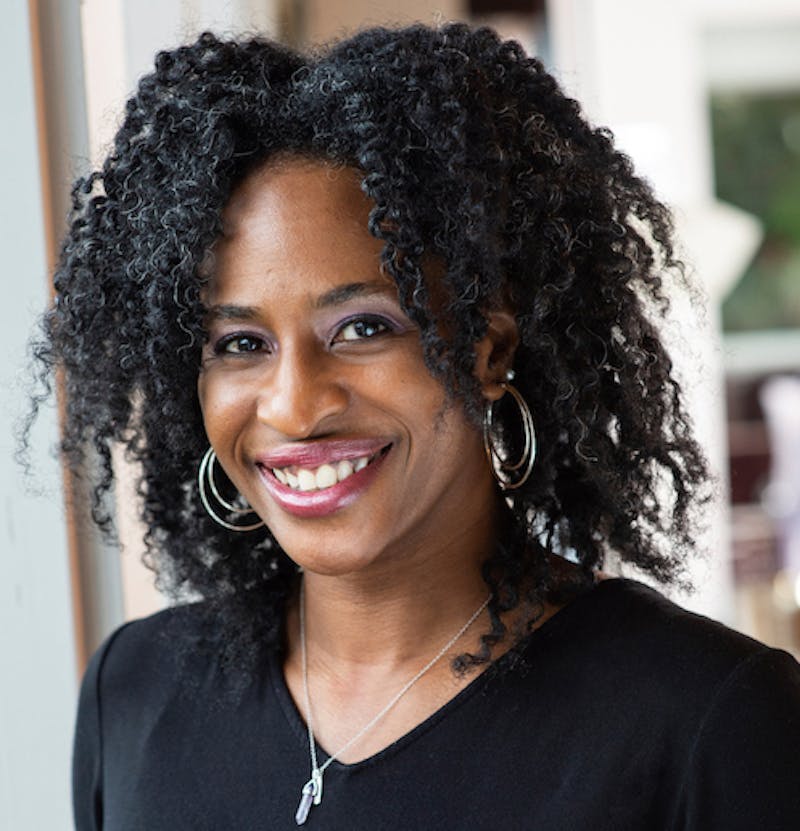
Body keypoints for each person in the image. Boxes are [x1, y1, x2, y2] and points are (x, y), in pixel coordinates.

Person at [28, 21, 800, 830]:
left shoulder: (707, 721)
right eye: (240, 343)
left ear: (489, 349)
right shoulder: (135, 691)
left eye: (363, 327)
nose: (293, 406)